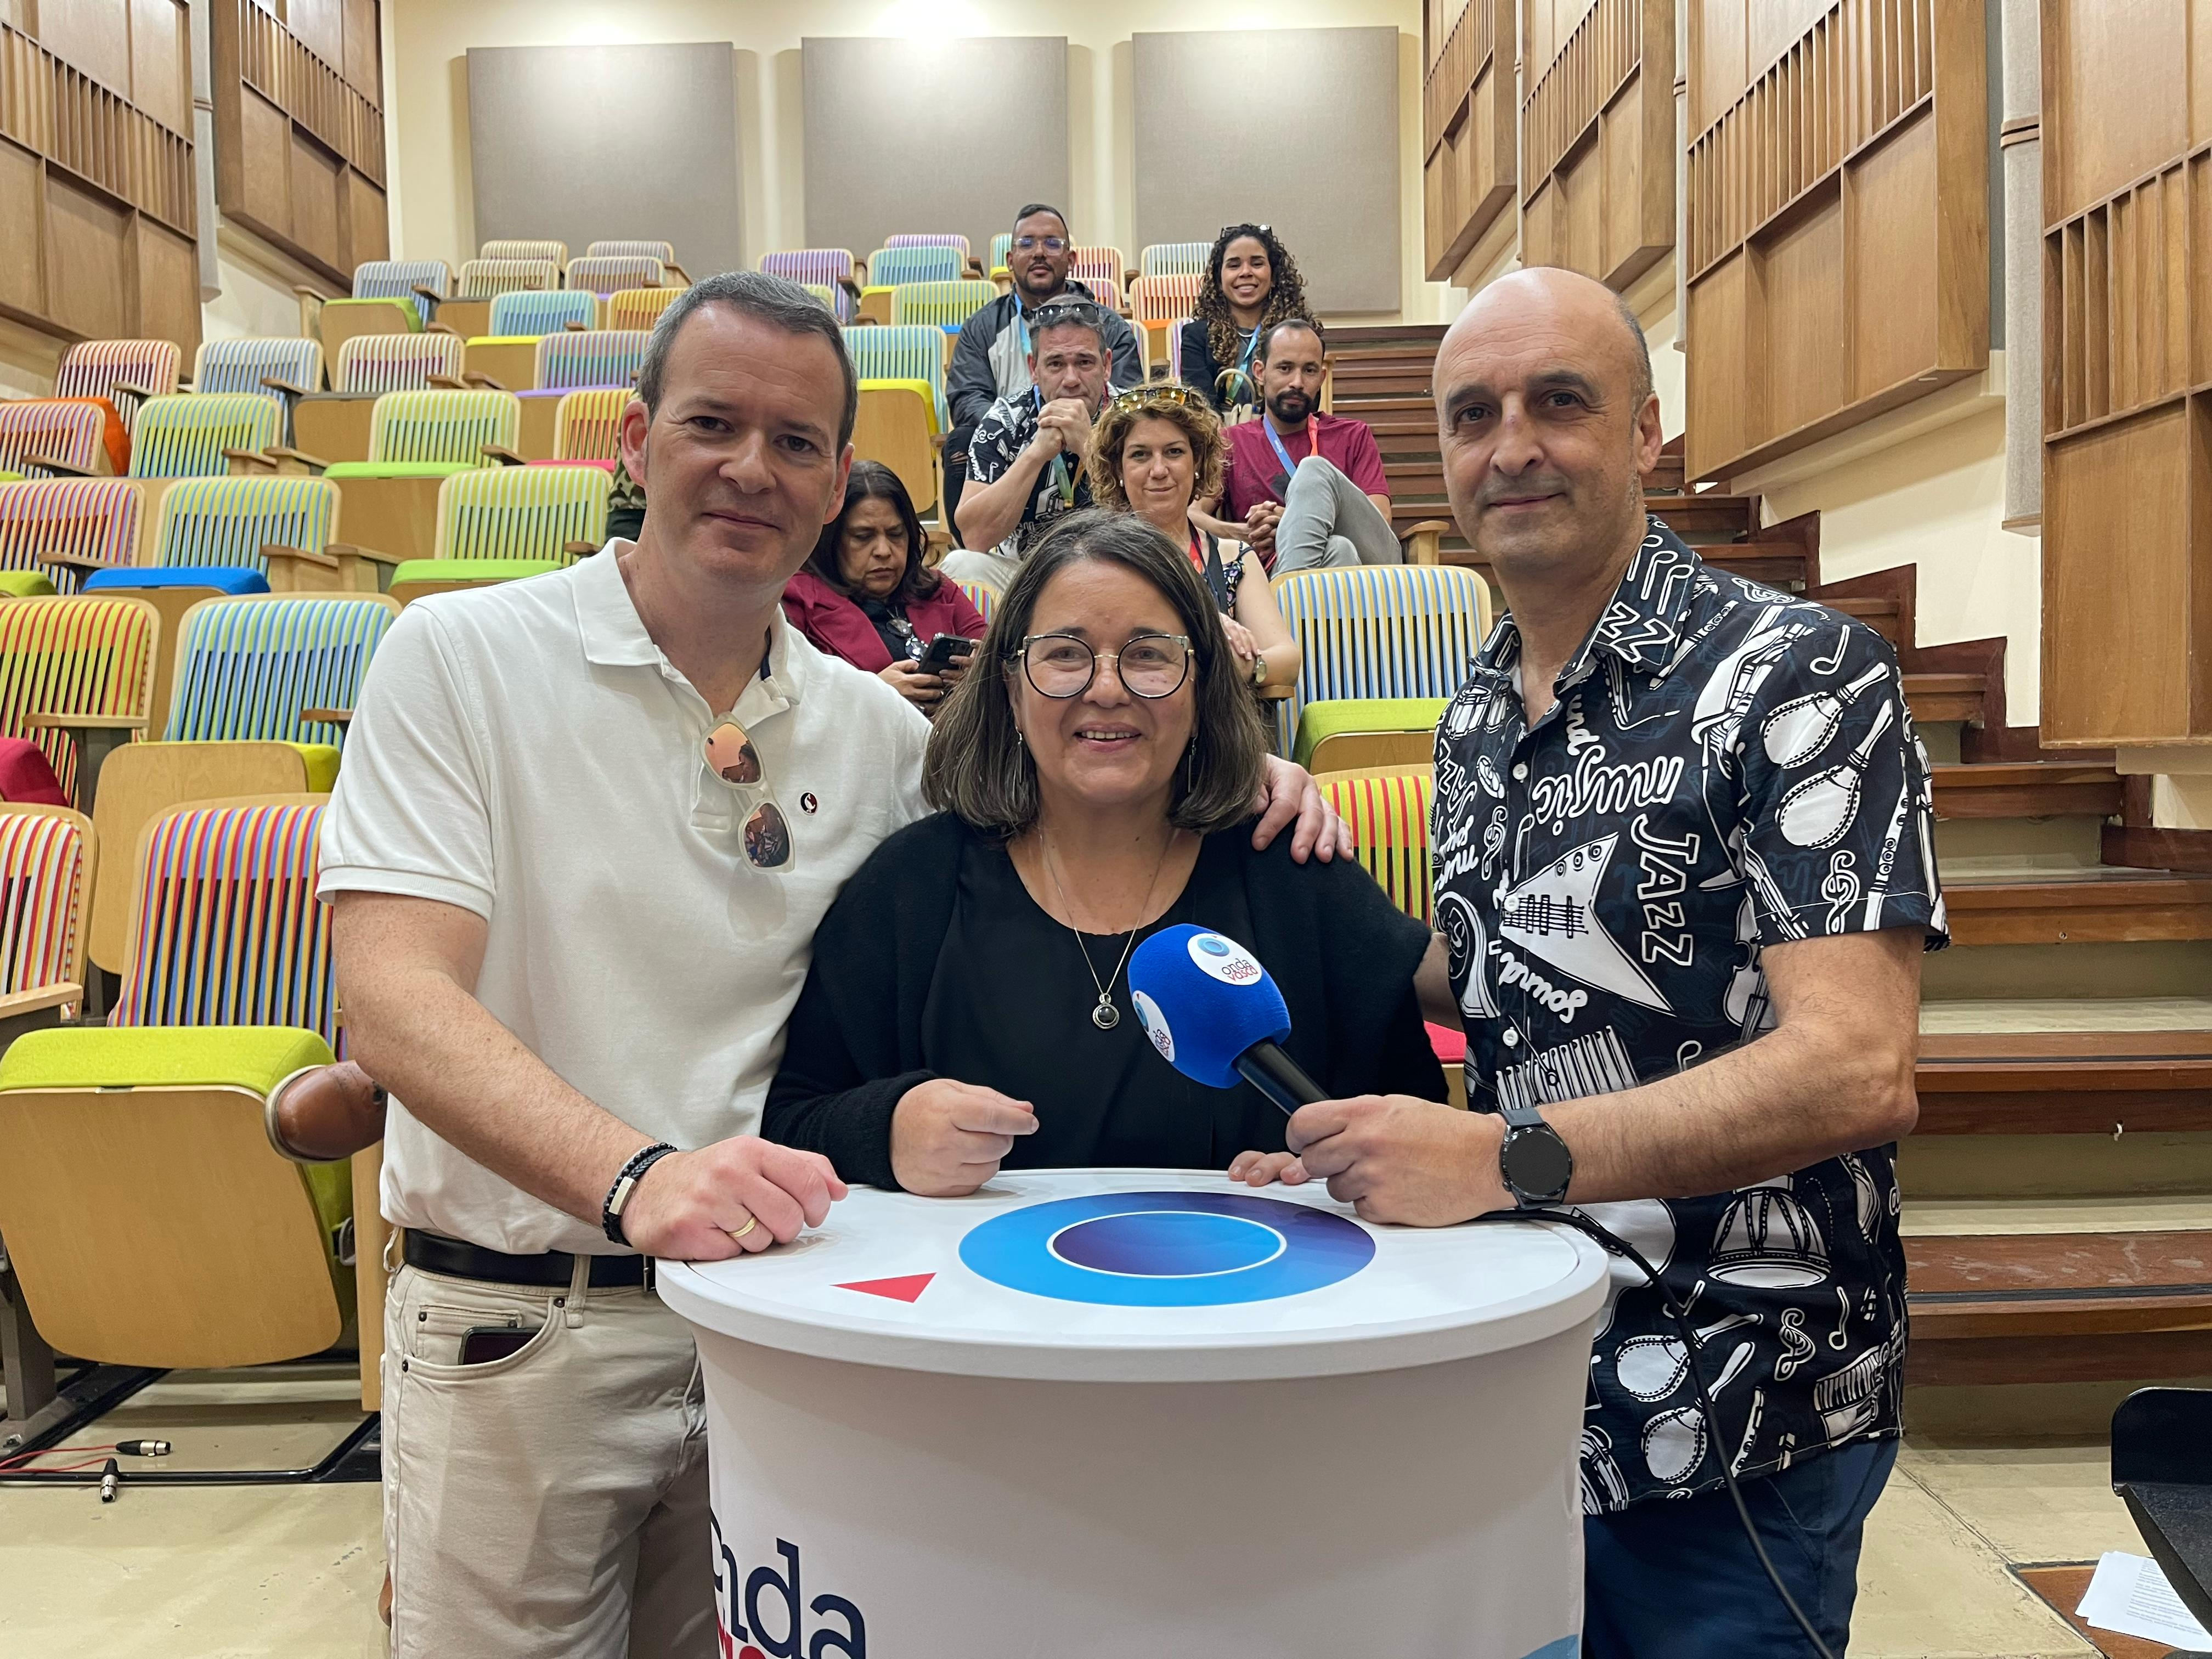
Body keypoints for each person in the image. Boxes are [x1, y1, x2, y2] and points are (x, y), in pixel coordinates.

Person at [320, 269, 1349, 1659]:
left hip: (786, 1328)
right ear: (635, 446)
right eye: (711, 426)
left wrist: (1247, 775)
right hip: (528, 1328)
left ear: (834, 488)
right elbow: (390, 996)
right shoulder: (458, 658)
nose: (753, 469)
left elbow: (1067, 842)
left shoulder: (877, 733)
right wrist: (638, 1181)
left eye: (798, 444)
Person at [1279, 267, 1946, 1657]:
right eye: (1474, 415)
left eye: (1560, 402)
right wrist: (1275, 852)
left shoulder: (1798, 674)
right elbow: (1504, 982)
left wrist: (1499, 1157)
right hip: (1521, 1376)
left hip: (1739, 1407)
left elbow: (1857, 1067)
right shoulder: (1468, 721)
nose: (1512, 444)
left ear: (1647, 430)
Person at [764, 509, 1441, 1188]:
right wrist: (886, 1130)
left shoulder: (1293, 868)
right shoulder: (910, 887)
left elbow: (1414, 1121)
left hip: (1254, 1287)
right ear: (1010, 684)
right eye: (1064, 653)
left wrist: (1327, 1175)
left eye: (1150, 654)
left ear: (1202, 683)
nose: (1108, 689)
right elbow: (794, 1119)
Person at [1087, 385, 1300, 696]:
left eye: (1174, 452)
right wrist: (1208, 632)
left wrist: (1243, 665)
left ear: (1197, 464)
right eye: (1140, 455)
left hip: (1217, 733)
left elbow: (1287, 661)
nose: (1159, 470)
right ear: (1118, 469)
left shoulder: (1233, 556)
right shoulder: (1094, 561)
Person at [945, 204, 1141, 531]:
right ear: (1010, 261)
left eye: (1052, 243)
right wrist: (1022, 425)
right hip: (1019, 441)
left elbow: (1126, 396)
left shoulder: (1108, 325)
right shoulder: (981, 327)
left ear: (1070, 258)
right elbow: (966, 397)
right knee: (963, 440)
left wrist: (1086, 435)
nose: (1039, 252)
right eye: (1027, 243)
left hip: (1102, 440)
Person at [1195, 317, 1400, 574]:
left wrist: (1296, 521)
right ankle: (1294, 604)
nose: (1297, 382)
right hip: (1284, 575)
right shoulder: (1232, 442)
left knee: (1314, 470)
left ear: (1322, 377)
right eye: (1285, 368)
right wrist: (1242, 533)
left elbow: (1380, 520)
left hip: (1373, 566)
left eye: (1310, 370)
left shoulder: (1353, 435)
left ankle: (1285, 604)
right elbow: (1192, 514)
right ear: (1260, 372)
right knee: (1338, 550)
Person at [781, 459, 986, 713]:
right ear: (831, 540)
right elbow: (791, 706)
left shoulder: (937, 588)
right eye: (863, 537)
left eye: (896, 534)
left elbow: (996, 654)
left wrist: (978, 673)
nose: (883, 551)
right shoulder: (796, 601)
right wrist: (874, 694)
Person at [947, 298, 1113, 592]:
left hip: (1112, 574)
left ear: (1107, 365)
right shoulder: (1004, 420)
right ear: (1034, 368)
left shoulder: (1132, 416)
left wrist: (1090, 448)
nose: (1071, 379)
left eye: (1085, 362)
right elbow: (975, 537)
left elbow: (1154, 521)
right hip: (1024, 578)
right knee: (961, 566)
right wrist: (1036, 454)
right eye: (1056, 364)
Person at [1178, 223, 1312, 415]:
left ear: (1274, 276)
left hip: (1279, 439)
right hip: (1218, 439)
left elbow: (1302, 406)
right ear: (1219, 279)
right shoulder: (1196, 336)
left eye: (1257, 264)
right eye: (1234, 265)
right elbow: (1199, 412)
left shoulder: (1299, 337)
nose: (1245, 272)